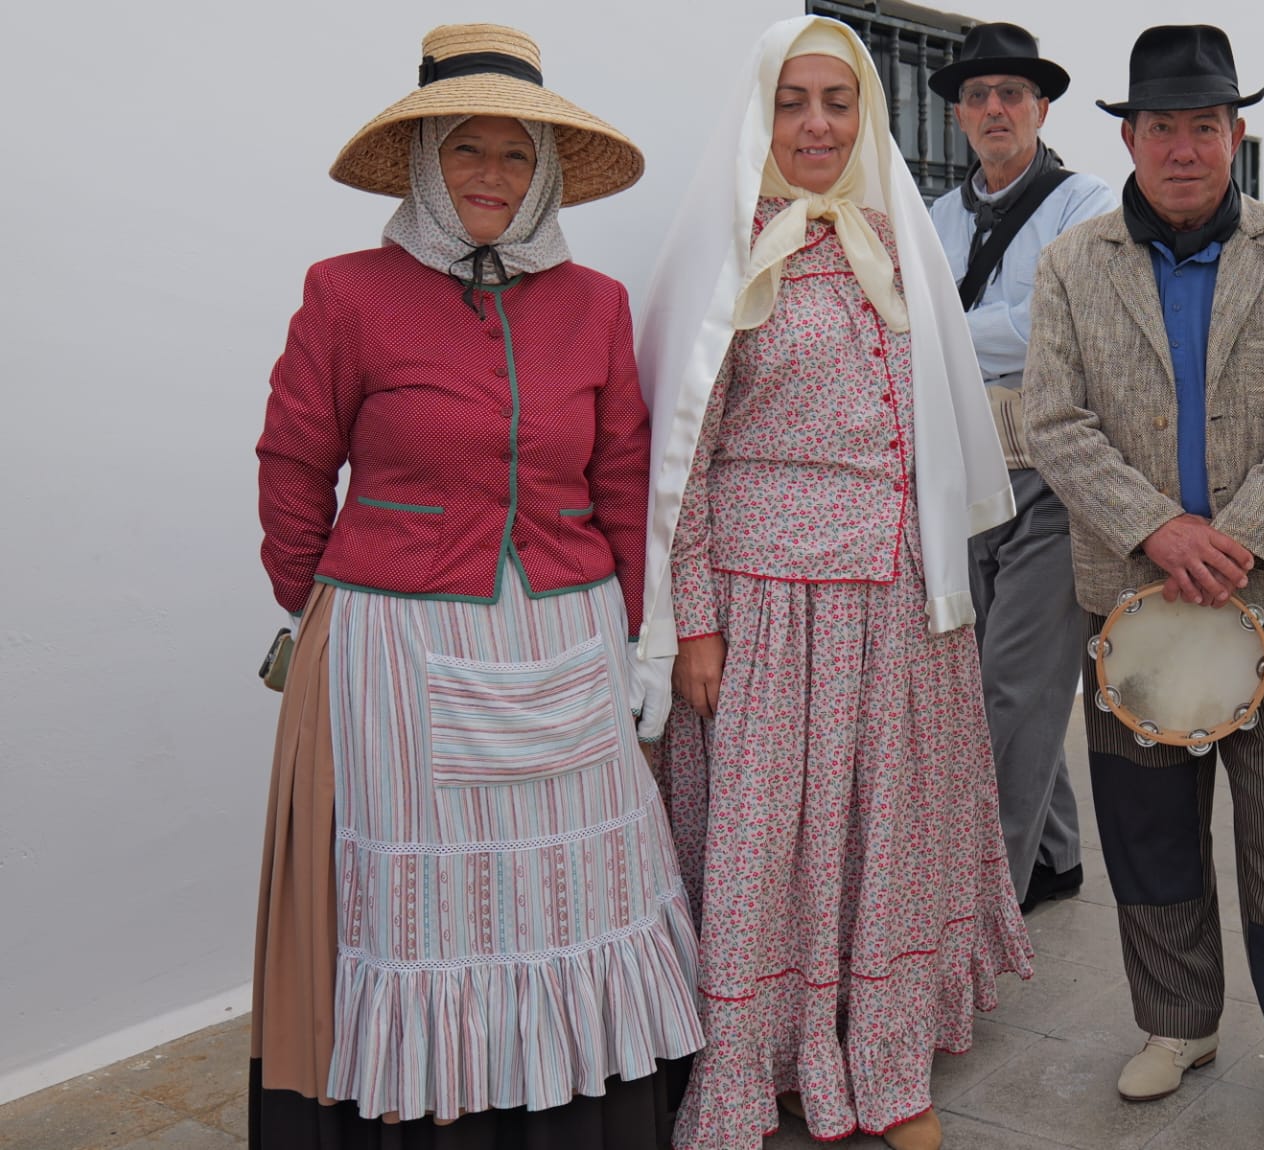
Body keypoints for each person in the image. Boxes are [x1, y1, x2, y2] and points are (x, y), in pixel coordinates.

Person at [250, 24, 702, 1147]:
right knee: (427, 903)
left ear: (546, 172)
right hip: (399, 648)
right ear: (423, 163)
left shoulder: (593, 303)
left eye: (516, 156)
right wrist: (321, 603)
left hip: (567, 633)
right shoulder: (346, 293)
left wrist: (645, 635)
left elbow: (622, 476)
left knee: (571, 884)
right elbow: (294, 462)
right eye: (467, 151)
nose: (492, 178)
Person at [636, 17, 1034, 1149]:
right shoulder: (728, 251)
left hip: (900, 600)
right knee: (775, 845)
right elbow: (684, 458)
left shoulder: (894, 243)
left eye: (839, 102)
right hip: (771, 606)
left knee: (885, 834)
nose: (817, 124)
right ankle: (762, 1064)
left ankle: (883, 1055)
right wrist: (697, 623)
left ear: (865, 118)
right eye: (793, 101)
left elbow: (940, 427)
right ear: (760, 116)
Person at [1026, 25, 1264, 1150]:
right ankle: (1176, 1025)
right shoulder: (1075, 262)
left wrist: (1243, 539)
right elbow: (1053, 421)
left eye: (1204, 125)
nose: (1182, 146)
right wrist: (1156, 529)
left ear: (1236, 133)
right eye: (1161, 125)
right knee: (1148, 829)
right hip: (1127, 606)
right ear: (1126, 136)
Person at [926, 22, 1118, 914]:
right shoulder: (939, 215)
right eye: (978, 96)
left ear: (1041, 107)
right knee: (981, 679)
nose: (995, 109)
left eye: (1012, 94)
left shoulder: (1087, 203)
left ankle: (976, 908)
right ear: (960, 114)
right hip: (968, 466)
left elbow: (1057, 325)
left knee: (1013, 685)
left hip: (1053, 471)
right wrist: (982, 330)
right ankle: (1056, 857)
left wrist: (941, 332)